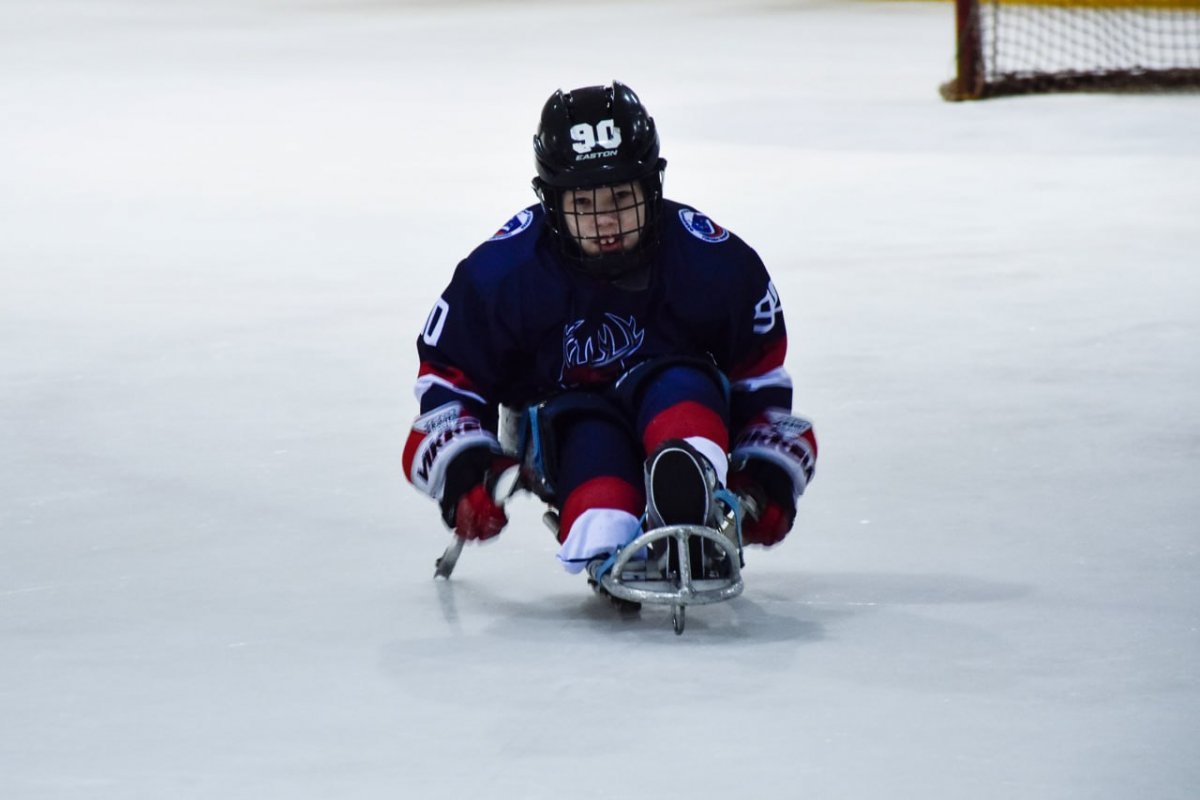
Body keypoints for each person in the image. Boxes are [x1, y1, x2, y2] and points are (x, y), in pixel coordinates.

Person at [403, 81, 817, 585]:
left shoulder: (711, 261)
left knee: (680, 388)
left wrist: (765, 475)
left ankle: (695, 497)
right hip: (567, 420)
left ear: (652, 186)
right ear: (552, 201)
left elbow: (760, 374)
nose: (605, 221)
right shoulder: (504, 274)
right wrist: (465, 469)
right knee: (600, 508)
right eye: (583, 201)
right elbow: (449, 377)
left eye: (622, 195)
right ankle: (608, 538)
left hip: (678, 396)